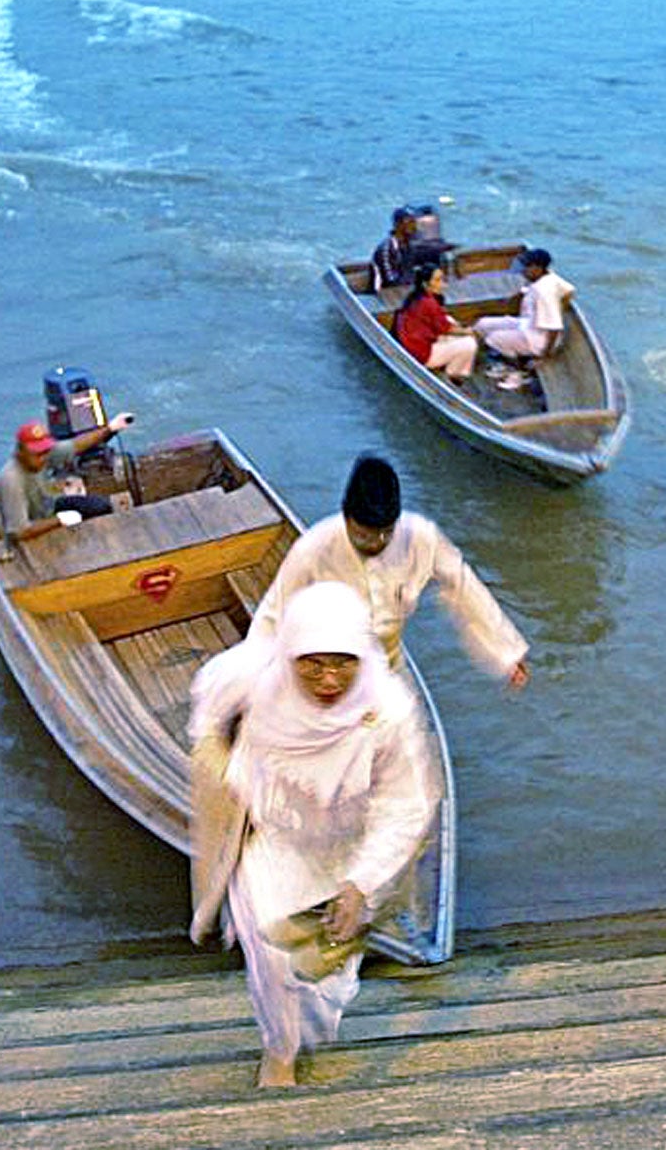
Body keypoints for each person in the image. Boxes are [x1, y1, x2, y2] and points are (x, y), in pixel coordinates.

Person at [189, 582, 439, 1088]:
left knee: (328, 974)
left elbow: (405, 804)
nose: (328, 679)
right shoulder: (255, 676)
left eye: (342, 663)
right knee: (274, 959)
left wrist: (360, 884)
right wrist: (215, 754)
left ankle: (312, 1028)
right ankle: (278, 1050)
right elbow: (207, 704)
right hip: (273, 839)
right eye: (313, 663)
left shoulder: (388, 708)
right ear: (290, 654)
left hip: (346, 848)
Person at [248, 454, 529, 688]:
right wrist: (251, 684)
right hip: (329, 675)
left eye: (385, 535)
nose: (375, 545)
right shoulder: (314, 548)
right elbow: (274, 615)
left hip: (388, 666)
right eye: (363, 536)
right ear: (346, 518)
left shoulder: (420, 537)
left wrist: (506, 652)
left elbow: (463, 585)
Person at [0, 412, 138, 545]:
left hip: (48, 509)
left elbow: (76, 445)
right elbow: (20, 532)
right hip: (28, 534)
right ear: (20, 452)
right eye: (37, 454)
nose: (43, 458)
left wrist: (111, 428)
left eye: (45, 452)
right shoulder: (10, 480)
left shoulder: (44, 455)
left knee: (100, 506)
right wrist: (60, 521)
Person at [392, 263, 478, 382]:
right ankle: (454, 374)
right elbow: (446, 329)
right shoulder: (429, 303)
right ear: (425, 283)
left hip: (409, 345)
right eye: (437, 280)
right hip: (421, 355)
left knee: (450, 321)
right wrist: (468, 331)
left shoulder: (415, 297)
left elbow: (442, 323)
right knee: (469, 343)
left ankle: (453, 364)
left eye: (442, 279)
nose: (442, 283)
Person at [369, 206, 418, 293]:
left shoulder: (408, 246)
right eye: (409, 222)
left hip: (404, 291)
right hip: (383, 294)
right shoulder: (386, 249)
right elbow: (389, 279)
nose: (414, 226)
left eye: (414, 221)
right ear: (397, 224)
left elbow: (409, 272)